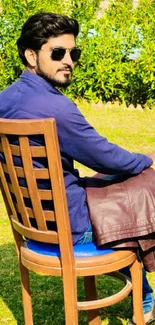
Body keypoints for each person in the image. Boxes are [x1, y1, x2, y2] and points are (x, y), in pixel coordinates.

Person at [0, 12, 154, 324]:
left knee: (120, 188)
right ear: (31, 55)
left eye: (74, 53)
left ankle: (145, 294)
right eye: (58, 53)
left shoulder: (5, 98)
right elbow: (107, 158)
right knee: (147, 186)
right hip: (71, 227)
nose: (68, 60)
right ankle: (147, 299)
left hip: (29, 222)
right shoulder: (57, 108)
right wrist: (147, 160)